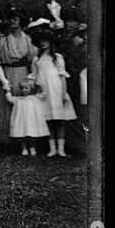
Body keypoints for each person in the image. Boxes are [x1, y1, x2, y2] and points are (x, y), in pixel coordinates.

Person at [0, 7, 35, 148]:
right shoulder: (2, 41)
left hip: (23, 74)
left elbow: (32, 62)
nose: (12, 21)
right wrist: (4, 81)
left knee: (23, 106)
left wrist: (30, 78)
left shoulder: (28, 40)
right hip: (7, 73)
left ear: (21, 21)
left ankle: (24, 140)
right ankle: (8, 140)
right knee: (6, 104)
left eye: (15, 19)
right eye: (11, 18)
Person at [32, 28, 77, 157]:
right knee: (49, 119)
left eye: (46, 40)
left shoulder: (57, 58)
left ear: (51, 42)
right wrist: (36, 88)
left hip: (56, 90)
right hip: (44, 91)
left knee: (60, 120)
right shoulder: (37, 59)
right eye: (41, 41)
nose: (43, 43)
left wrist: (64, 93)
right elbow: (35, 76)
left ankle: (61, 149)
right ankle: (52, 149)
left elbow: (62, 76)